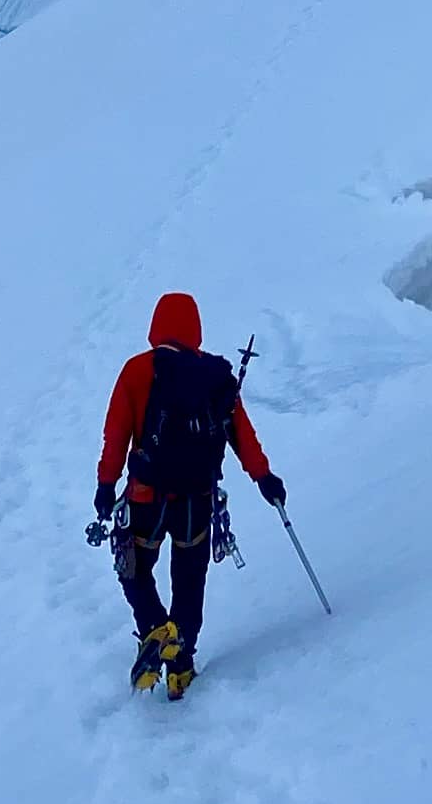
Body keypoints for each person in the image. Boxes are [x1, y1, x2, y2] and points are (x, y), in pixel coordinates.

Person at [86, 290, 284, 700]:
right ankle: (181, 667)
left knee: (134, 568)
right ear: (195, 328)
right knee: (190, 580)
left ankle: (156, 627)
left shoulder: (137, 371)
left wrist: (106, 485)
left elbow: (116, 433)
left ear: (156, 326)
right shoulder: (215, 377)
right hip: (197, 500)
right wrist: (264, 477)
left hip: (147, 498)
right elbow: (241, 434)